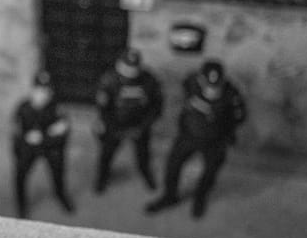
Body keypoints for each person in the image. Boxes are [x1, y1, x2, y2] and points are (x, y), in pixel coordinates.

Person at [146, 59, 247, 219]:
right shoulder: (190, 83)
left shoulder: (232, 95)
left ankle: (200, 198)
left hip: (215, 141)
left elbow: (239, 117)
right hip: (188, 136)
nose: (212, 91)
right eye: (208, 85)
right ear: (200, 79)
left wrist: (225, 133)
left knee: (209, 173)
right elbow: (182, 98)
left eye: (216, 86)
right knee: (173, 166)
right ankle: (169, 197)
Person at [93, 48, 164, 193]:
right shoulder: (109, 79)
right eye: (127, 69)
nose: (130, 74)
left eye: (133, 69)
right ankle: (102, 179)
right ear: (119, 65)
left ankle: (146, 174)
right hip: (115, 126)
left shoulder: (149, 80)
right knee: (106, 155)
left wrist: (144, 126)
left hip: (140, 125)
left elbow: (157, 106)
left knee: (143, 155)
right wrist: (109, 127)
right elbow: (103, 107)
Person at [12, 71, 75, 219]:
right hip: (28, 150)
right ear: (32, 90)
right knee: (20, 176)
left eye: (47, 90)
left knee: (58, 173)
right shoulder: (23, 109)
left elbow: (63, 135)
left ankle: (60, 195)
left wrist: (42, 138)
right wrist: (49, 134)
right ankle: (21, 205)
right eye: (40, 90)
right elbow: (18, 136)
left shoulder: (58, 109)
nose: (43, 94)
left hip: (52, 149)